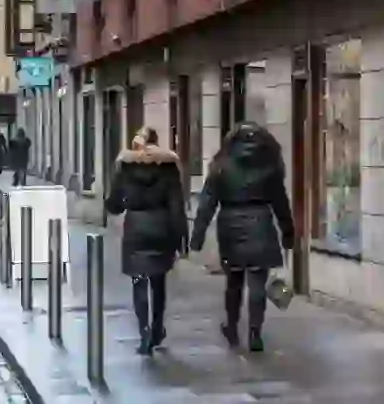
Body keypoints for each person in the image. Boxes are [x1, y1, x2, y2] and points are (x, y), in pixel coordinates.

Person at [189, 121, 294, 353]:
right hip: (261, 223)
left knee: (234, 280)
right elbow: (280, 201)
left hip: (230, 224)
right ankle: (255, 332)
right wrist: (288, 232)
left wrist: (196, 237)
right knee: (257, 280)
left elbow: (207, 202)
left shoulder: (221, 164)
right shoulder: (269, 164)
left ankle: (233, 327)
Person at [105, 126, 187, 354]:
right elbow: (176, 206)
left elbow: (114, 204)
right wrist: (181, 237)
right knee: (158, 282)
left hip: (136, 230)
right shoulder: (168, 168)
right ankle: (158, 328)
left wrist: (115, 202)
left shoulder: (126, 167)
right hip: (161, 229)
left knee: (138, 281)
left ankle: (144, 332)